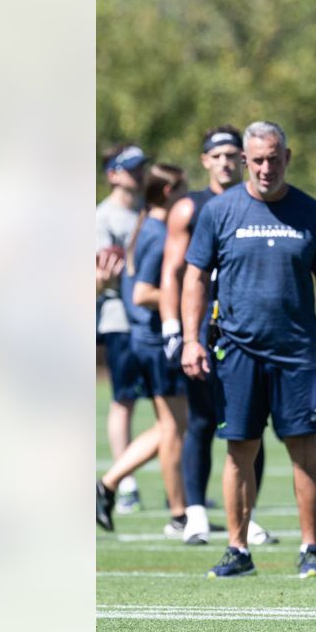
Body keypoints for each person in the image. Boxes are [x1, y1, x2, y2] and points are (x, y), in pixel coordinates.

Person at [182, 120, 316, 578]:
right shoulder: (220, 212)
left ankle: (311, 549)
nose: (266, 168)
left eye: (274, 159)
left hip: (296, 354)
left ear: (287, 158)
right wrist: (190, 340)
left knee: (306, 449)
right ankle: (238, 550)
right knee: (239, 449)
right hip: (237, 352)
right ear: (244, 160)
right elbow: (195, 279)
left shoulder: (313, 213)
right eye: (257, 160)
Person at [159, 125, 277, 546]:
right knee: (204, 420)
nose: (226, 162)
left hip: (246, 329)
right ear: (205, 160)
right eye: (218, 155)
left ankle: (249, 513)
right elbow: (174, 272)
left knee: (250, 424)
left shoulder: (259, 202)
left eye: (233, 154)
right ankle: (195, 514)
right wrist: (175, 329)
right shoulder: (191, 207)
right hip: (204, 329)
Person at [96, 163, 190, 535]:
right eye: (183, 190)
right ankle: (179, 513)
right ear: (168, 193)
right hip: (154, 340)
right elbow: (142, 293)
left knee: (172, 425)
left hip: (148, 339)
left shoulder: (147, 225)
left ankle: (110, 485)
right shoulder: (155, 231)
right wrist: (191, 299)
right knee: (172, 427)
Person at [96, 143, 153, 514]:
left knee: (171, 404)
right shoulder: (103, 217)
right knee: (124, 400)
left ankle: (182, 488)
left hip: (151, 319)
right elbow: (98, 276)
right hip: (120, 319)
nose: (139, 174)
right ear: (113, 173)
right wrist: (103, 277)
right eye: (130, 168)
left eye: (141, 168)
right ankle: (125, 482)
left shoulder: (149, 212)